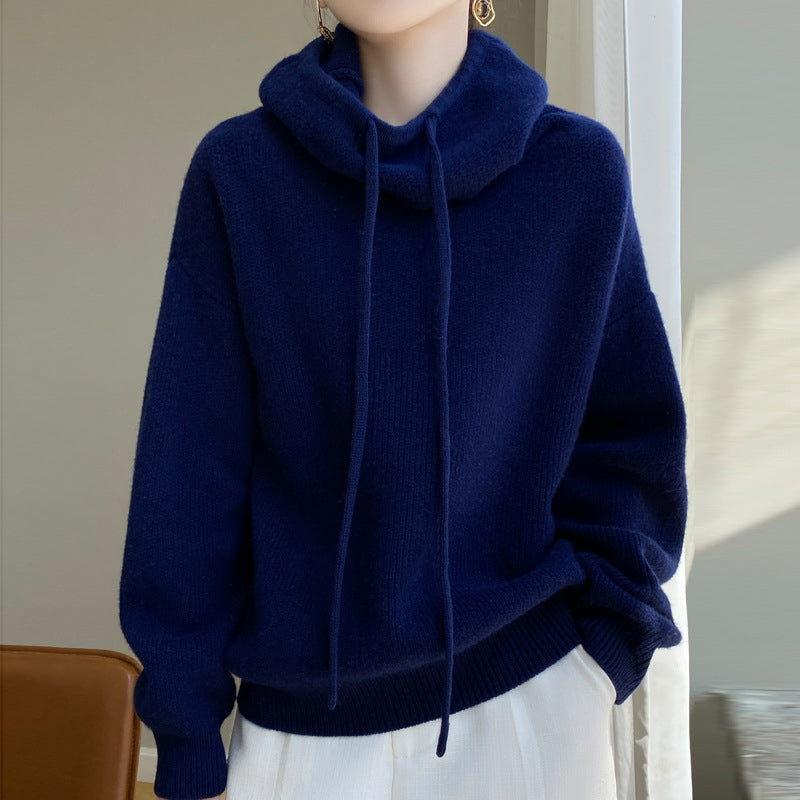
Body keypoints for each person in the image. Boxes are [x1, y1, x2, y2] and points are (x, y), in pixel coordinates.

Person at [117, 0, 689, 798]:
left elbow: (631, 440)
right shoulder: (240, 173)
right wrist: (185, 734)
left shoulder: (576, 170)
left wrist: (600, 657)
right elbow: (190, 469)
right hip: (297, 737)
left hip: (533, 711)